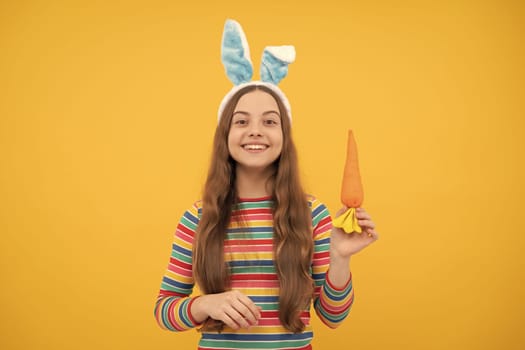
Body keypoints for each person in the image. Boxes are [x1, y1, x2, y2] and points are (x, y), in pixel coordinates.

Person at [154, 19, 378, 350]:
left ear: (284, 137)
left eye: (270, 121)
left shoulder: (312, 213)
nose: (256, 131)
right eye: (242, 121)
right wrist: (204, 305)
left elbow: (333, 316)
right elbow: (164, 309)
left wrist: (340, 257)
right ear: (226, 136)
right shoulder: (197, 217)